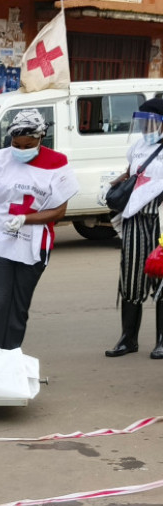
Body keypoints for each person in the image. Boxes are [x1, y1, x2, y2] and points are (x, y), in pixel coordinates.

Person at [0, 109, 78, 349]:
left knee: (19, 306)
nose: (21, 150)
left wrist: (25, 219)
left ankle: (10, 357)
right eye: (16, 144)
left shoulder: (57, 163)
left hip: (34, 244)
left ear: (41, 137)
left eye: (28, 145)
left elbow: (60, 211)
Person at [105, 99, 163, 358]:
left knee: (162, 278)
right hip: (135, 221)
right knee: (130, 278)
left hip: (160, 220)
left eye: (149, 122)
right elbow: (130, 173)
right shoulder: (139, 146)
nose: (144, 128)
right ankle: (128, 338)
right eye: (141, 122)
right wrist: (112, 186)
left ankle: (162, 340)